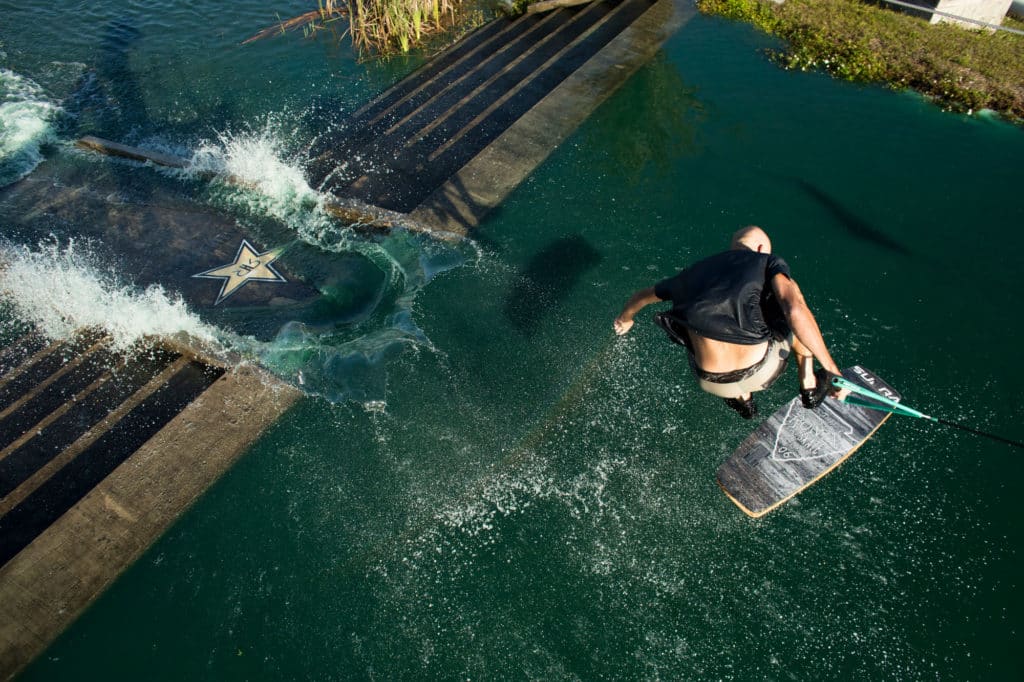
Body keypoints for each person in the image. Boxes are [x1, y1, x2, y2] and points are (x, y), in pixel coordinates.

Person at [613, 226, 844, 419]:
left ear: (733, 248)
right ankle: (809, 383)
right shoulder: (765, 261)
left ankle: (743, 400)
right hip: (762, 370)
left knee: (697, 319)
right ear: (762, 249)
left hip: (709, 382)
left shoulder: (693, 271)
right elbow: (794, 310)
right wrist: (832, 369)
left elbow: (642, 296)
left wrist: (626, 319)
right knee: (790, 299)